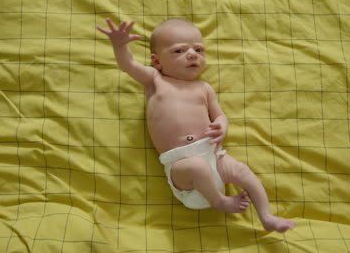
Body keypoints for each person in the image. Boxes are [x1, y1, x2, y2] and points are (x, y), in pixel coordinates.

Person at [97, 18, 295, 232]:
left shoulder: (204, 88)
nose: (192, 54)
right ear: (156, 62)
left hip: (214, 157)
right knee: (197, 166)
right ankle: (220, 201)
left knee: (243, 171)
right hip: (183, 169)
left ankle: (266, 216)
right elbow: (128, 65)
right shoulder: (156, 81)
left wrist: (222, 126)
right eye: (179, 51)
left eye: (199, 50)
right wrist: (120, 46)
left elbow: (220, 115)